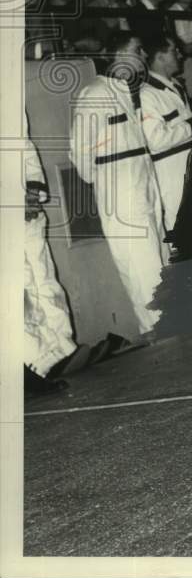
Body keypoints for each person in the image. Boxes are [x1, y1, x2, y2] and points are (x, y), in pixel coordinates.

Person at [69, 31, 169, 334]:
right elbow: (80, 152)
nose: (143, 56)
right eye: (137, 50)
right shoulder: (95, 94)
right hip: (121, 188)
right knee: (141, 264)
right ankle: (159, 330)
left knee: (159, 254)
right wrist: (108, 182)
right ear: (117, 55)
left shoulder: (129, 91)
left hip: (143, 179)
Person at [24, 112, 86, 395]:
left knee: (45, 278)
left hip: (25, 211)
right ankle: (37, 360)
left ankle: (63, 347)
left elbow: (24, 146)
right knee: (21, 291)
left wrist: (32, 192)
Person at [140, 35, 192, 259]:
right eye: (174, 51)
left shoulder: (175, 87)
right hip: (171, 174)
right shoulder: (147, 94)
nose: (179, 55)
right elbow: (156, 140)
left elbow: (187, 130)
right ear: (160, 57)